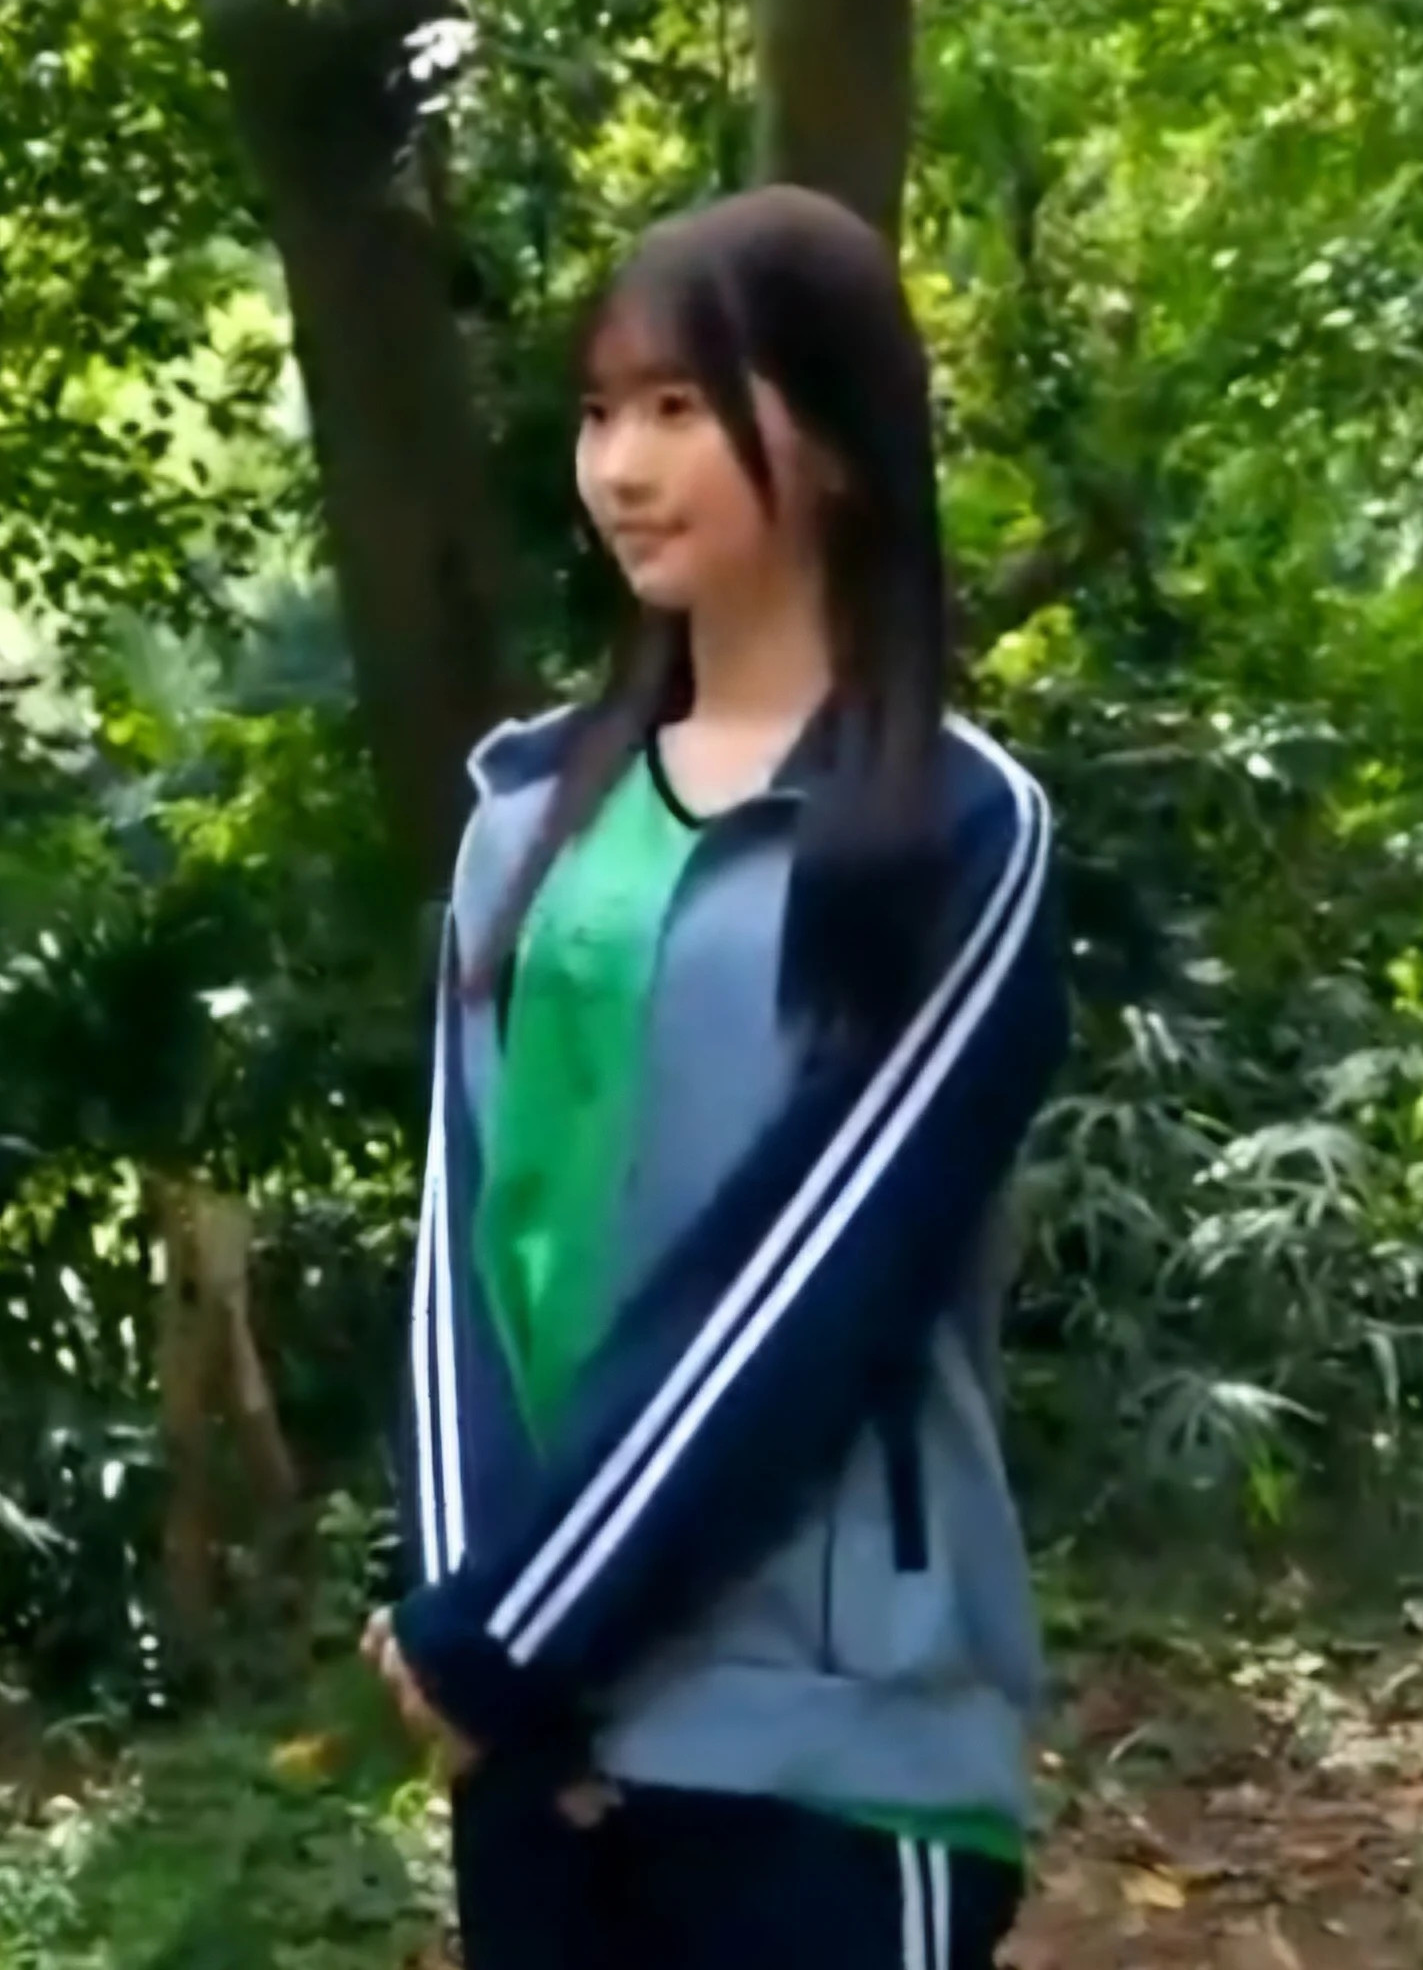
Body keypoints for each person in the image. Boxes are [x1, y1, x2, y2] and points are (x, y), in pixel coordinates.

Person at [367, 184, 1065, 1970]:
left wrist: (521, 1632)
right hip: (533, 1740)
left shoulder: (959, 833)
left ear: (829, 437)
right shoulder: (525, 819)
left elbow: (813, 1282)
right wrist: (478, 1642)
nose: (619, 465)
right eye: (600, 411)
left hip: (834, 1750)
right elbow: (465, 1257)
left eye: (679, 406)